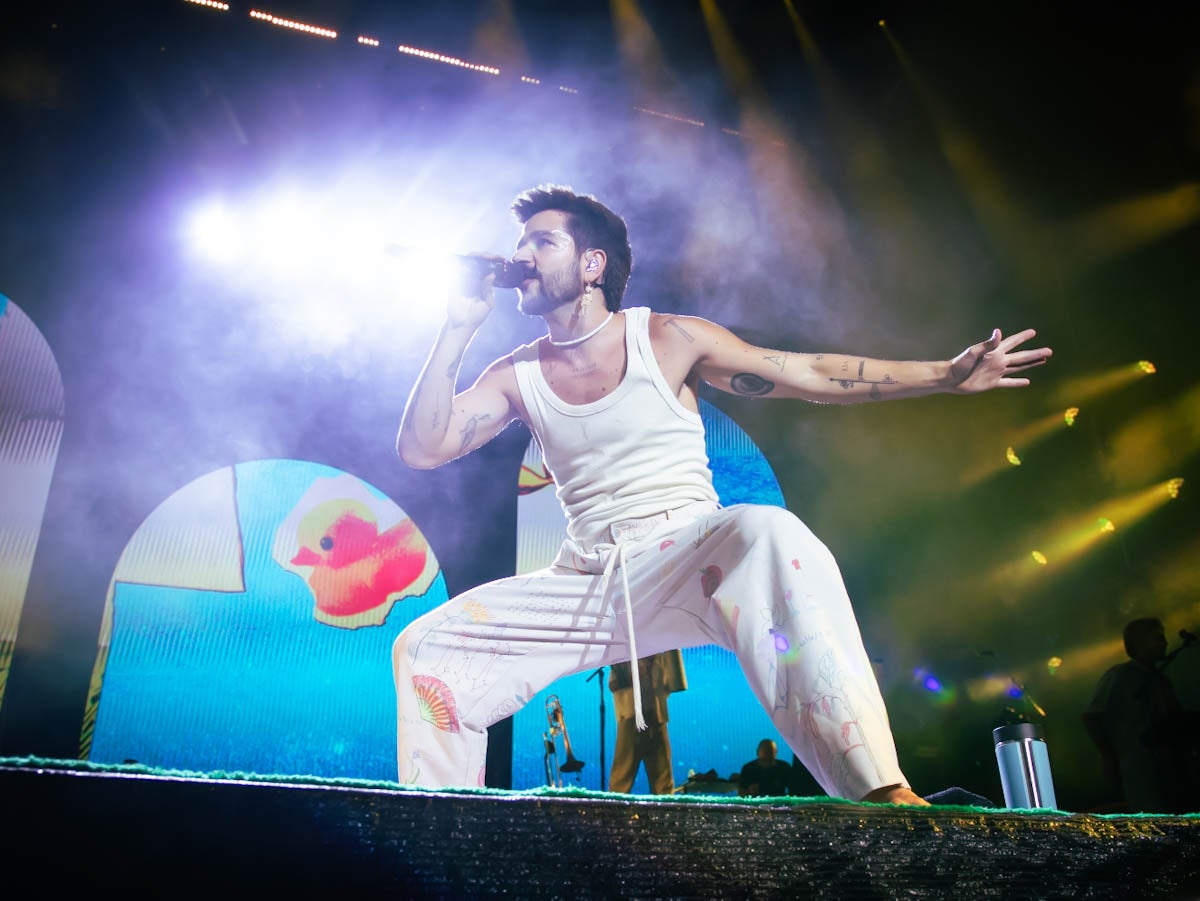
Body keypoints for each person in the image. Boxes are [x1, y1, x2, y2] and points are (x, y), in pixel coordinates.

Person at [392, 184, 1052, 805]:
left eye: (541, 242)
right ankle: (443, 827)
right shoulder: (517, 371)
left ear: (593, 263)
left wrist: (943, 375)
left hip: (688, 553)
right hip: (590, 578)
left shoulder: (667, 338)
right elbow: (424, 447)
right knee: (427, 648)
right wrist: (457, 325)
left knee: (769, 532)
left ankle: (882, 794)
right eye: (521, 243)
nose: (520, 256)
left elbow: (803, 372)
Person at [1082, 617, 1188, 812]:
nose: (1164, 642)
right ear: (1139, 643)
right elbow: (1091, 716)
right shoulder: (1120, 675)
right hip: (1138, 767)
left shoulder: (1161, 679)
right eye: (1157, 637)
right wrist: (1110, 756)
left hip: (1166, 767)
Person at [608, 650, 684, 795]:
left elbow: (671, 682)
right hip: (631, 717)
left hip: (656, 715)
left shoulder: (660, 652)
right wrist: (640, 672)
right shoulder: (625, 650)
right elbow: (614, 684)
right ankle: (614, 814)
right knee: (621, 779)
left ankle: (664, 814)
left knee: (663, 781)